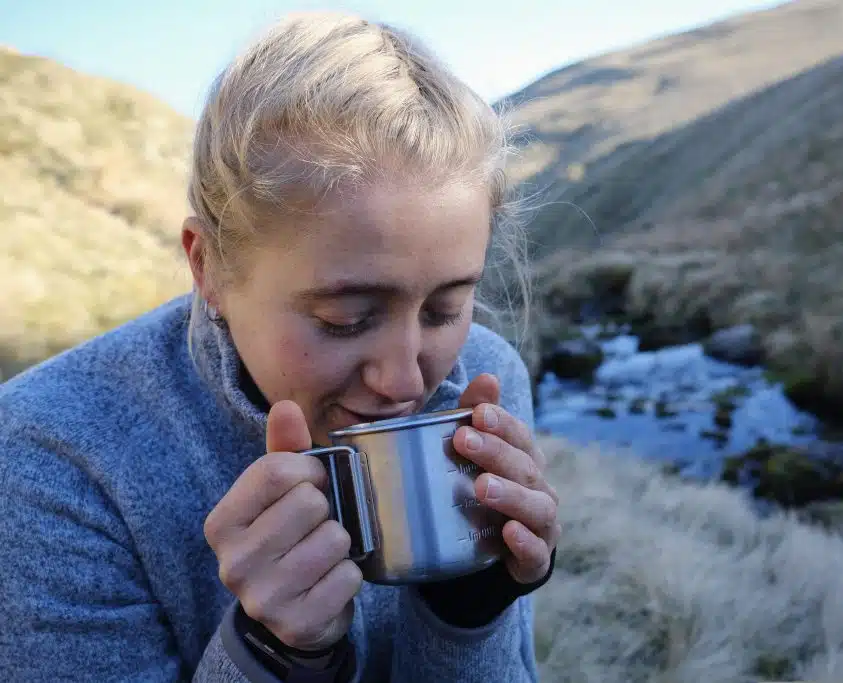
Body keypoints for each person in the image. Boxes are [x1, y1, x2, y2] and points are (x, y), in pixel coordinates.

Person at [0, 11, 560, 683]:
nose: (406, 378)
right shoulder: (51, 457)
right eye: (347, 318)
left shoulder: (485, 378)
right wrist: (270, 655)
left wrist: (471, 611)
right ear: (208, 267)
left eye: (444, 308)